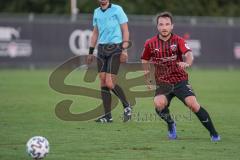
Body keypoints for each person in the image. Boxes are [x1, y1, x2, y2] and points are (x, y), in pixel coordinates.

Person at [141, 11, 220, 141]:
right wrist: (147, 78)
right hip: (162, 82)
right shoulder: (150, 43)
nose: (164, 27)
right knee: (159, 103)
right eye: (161, 24)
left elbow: (189, 54)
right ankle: (171, 124)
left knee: (193, 105)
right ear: (157, 27)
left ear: (172, 26)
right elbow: (144, 60)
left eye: (167, 24)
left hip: (180, 80)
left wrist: (187, 63)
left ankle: (214, 133)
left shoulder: (178, 40)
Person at [87, 0, 132, 123]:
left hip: (115, 48)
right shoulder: (96, 12)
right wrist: (91, 52)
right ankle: (108, 116)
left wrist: (124, 50)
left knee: (110, 82)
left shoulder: (117, 9)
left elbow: (125, 30)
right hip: (101, 49)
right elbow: (95, 33)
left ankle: (127, 106)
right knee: (102, 81)